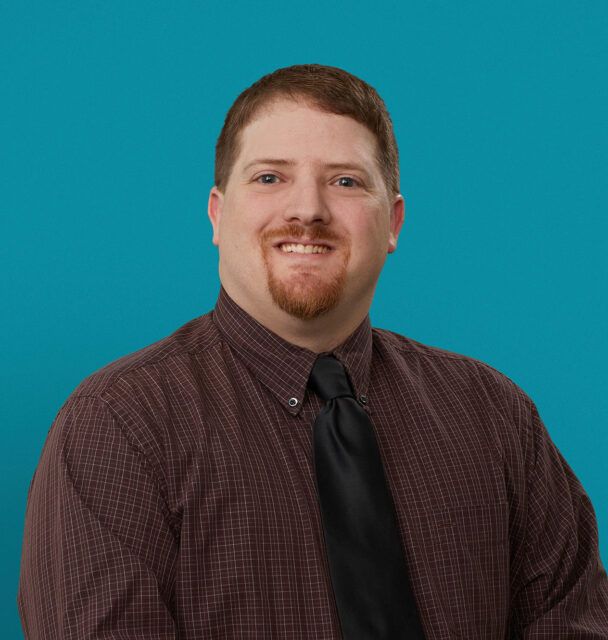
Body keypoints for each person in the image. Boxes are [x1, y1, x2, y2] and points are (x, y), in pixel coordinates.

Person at [18, 63, 608, 639]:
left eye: (345, 181)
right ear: (218, 214)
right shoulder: (118, 426)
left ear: (393, 222)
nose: (308, 210)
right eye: (269, 178)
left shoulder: (494, 414)